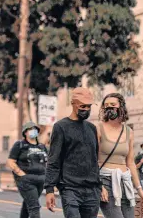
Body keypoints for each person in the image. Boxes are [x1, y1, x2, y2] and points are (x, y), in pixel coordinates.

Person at [45, 87, 101, 218]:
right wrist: (49, 189)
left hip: (92, 190)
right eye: (82, 106)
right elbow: (54, 160)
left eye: (88, 106)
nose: (86, 109)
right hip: (70, 189)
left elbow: (94, 159)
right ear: (73, 104)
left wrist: (99, 185)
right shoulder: (60, 127)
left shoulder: (92, 128)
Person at [98, 93, 143, 218]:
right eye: (106, 105)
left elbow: (130, 162)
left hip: (125, 182)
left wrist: (139, 189)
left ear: (121, 107)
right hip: (106, 180)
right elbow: (91, 160)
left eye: (113, 105)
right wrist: (98, 185)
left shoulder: (129, 132)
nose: (109, 108)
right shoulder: (98, 129)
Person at [7, 121, 48, 218]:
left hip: (41, 179)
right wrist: (21, 174)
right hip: (26, 180)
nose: (33, 131)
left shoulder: (42, 146)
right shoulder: (20, 145)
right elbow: (10, 161)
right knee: (34, 207)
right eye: (30, 129)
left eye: (35, 129)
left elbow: (47, 162)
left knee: (28, 204)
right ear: (25, 132)